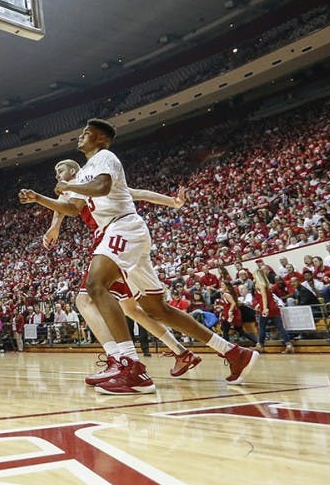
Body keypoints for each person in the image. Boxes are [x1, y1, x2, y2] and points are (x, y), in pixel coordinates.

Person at [19, 119, 258, 394]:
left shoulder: (105, 157)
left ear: (100, 140)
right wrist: (39, 198)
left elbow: (103, 188)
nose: (81, 137)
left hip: (122, 227)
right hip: (123, 234)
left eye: (87, 133)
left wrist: (69, 189)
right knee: (156, 309)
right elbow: (71, 208)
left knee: (94, 288)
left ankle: (129, 366)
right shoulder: (83, 174)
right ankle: (232, 352)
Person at [21, 158, 202, 381]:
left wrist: (173, 202)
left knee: (87, 300)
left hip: (114, 239)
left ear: (74, 170)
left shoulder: (92, 182)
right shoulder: (67, 192)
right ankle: (181, 352)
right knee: (131, 309)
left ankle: (119, 359)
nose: (57, 175)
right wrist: (53, 229)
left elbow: (140, 193)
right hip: (112, 242)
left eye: (60, 170)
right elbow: (60, 210)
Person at [252, 269, 294, 353]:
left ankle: (260, 346)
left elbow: (264, 297)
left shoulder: (260, 285)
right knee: (280, 327)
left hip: (267, 309)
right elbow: (268, 297)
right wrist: (259, 305)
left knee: (262, 328)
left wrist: (264, 308)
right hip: (274, 307)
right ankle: (289, 345)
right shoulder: (268, 285)